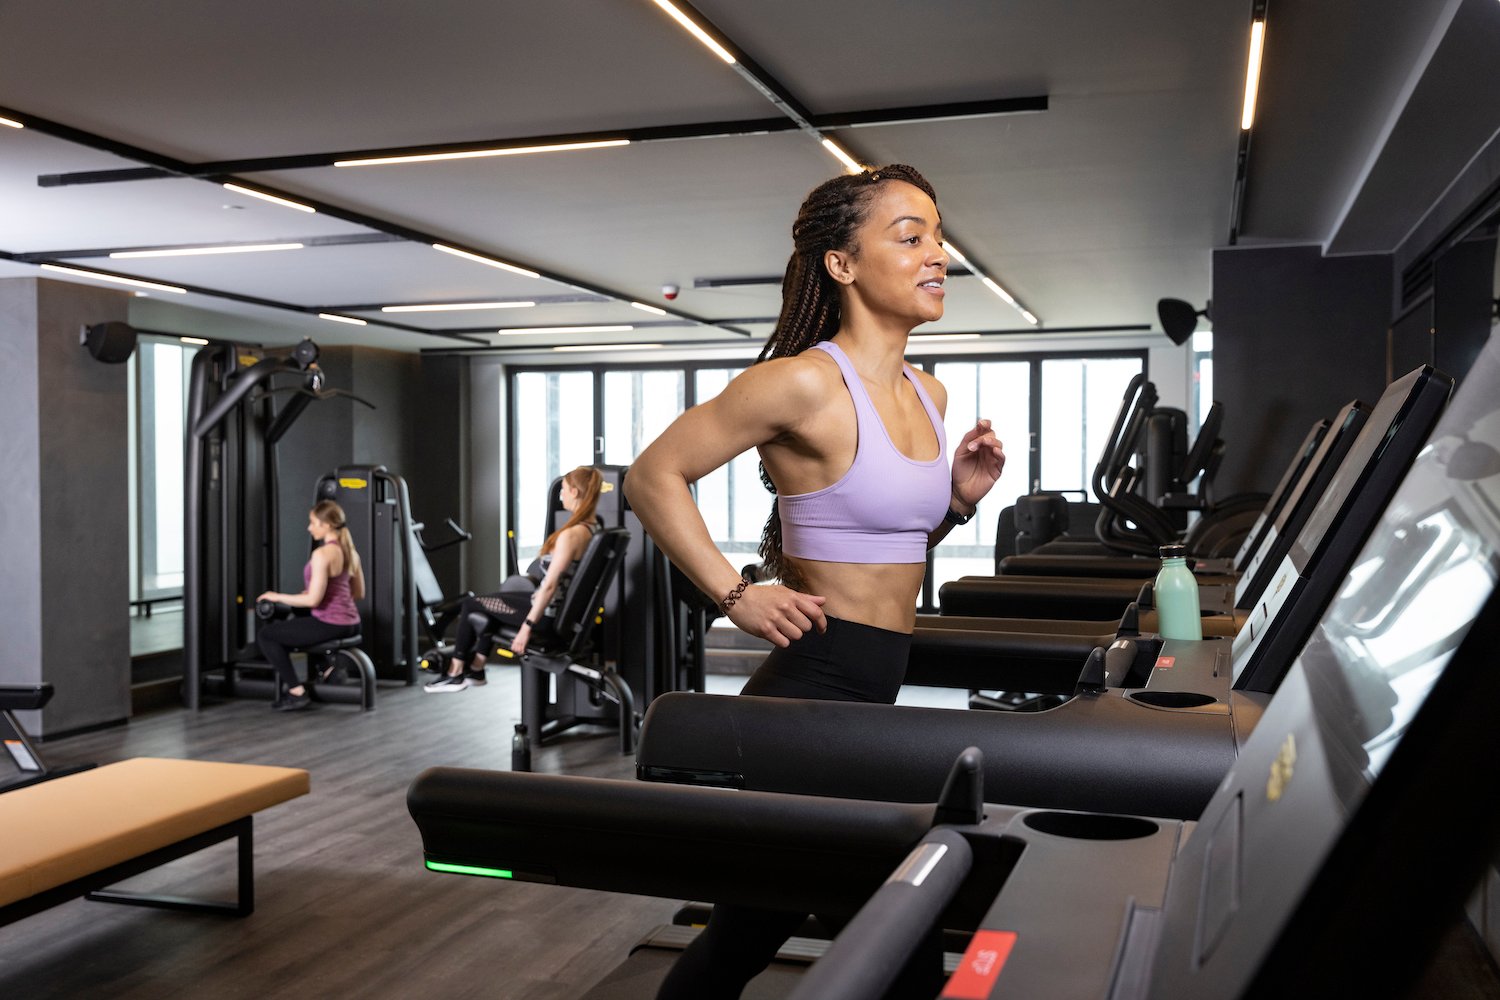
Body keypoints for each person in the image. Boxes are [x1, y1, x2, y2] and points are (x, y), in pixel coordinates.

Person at [623, 164, 1006, 999]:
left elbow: (886, 546)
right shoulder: (801, 381)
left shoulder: (928, 392)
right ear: (843, 264)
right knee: (768, 933)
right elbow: (652, 475)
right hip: (812, 685)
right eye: (910, 237)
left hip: (875, 688)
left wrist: (959, 505)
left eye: (938, 237)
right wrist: (736, 592)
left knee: (797, 926)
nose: (938, 254)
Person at [424, 465, 604, 693]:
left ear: (575, 493)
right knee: (490, 602)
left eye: (565, 490)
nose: (562, 494)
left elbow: (549, 586)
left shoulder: (571, 535)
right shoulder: (593, 528)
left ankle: (456, 672)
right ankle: (477, 666)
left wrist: (526, 628)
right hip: (557, 611)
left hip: (546, 616)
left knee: (470, 604)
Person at [255, 500, 365, 712]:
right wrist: (325, 595)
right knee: (297, 620)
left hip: (331, 623)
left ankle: (296, 692)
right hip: (352, 622)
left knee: (267, 635)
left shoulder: (322, 554)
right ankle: (326, 669)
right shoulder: (351, 552)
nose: (309, 527)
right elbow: (358, 593)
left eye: (313, 523)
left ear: (326, 525)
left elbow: (313, 601)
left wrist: (276, 597)